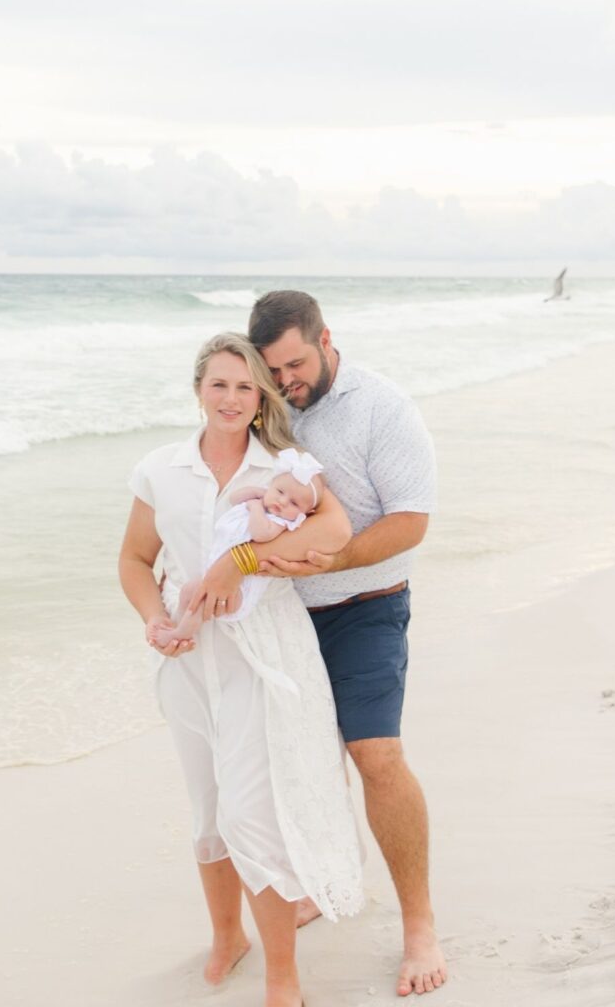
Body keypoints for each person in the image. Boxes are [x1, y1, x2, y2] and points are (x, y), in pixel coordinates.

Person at [185, 295, 445, 997]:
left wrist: (334, 561)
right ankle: (319, 882)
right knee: (288, 765)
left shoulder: (382, 408)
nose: (286, 381)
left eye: (295, 364)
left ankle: (418, 922)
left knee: (376, 757)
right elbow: (218, 494)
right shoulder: (262, 403)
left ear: (327, 339)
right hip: (276, 619)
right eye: (272, 370)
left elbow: (412, 520)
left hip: (365, 607)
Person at [119, 332, 363, 1007]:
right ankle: (227, 937)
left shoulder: (285, 468)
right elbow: (135, 560)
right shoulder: (160, 469)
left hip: (265, 657)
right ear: (198, 388)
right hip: (189, 656)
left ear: (260, 398)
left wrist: (240, 562)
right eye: (218, 384)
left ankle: (283, 978)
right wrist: (151, 619)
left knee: (254, 814)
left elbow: (334, 533)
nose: (230, 398)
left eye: (244, 386)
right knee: (208, 810)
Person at [147, 448, 325, 649]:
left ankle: (181, 634)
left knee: (199, 596)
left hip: (239, 591)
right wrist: (262, 494)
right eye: (280, 492)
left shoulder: (279, 522)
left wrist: (256, 506)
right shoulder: (265, 501)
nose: (282, 501)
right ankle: (177, 621)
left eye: (293, 502)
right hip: (218, 577)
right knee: (189, 590)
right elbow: (234, 498)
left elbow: (260, 534)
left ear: (305, 513)